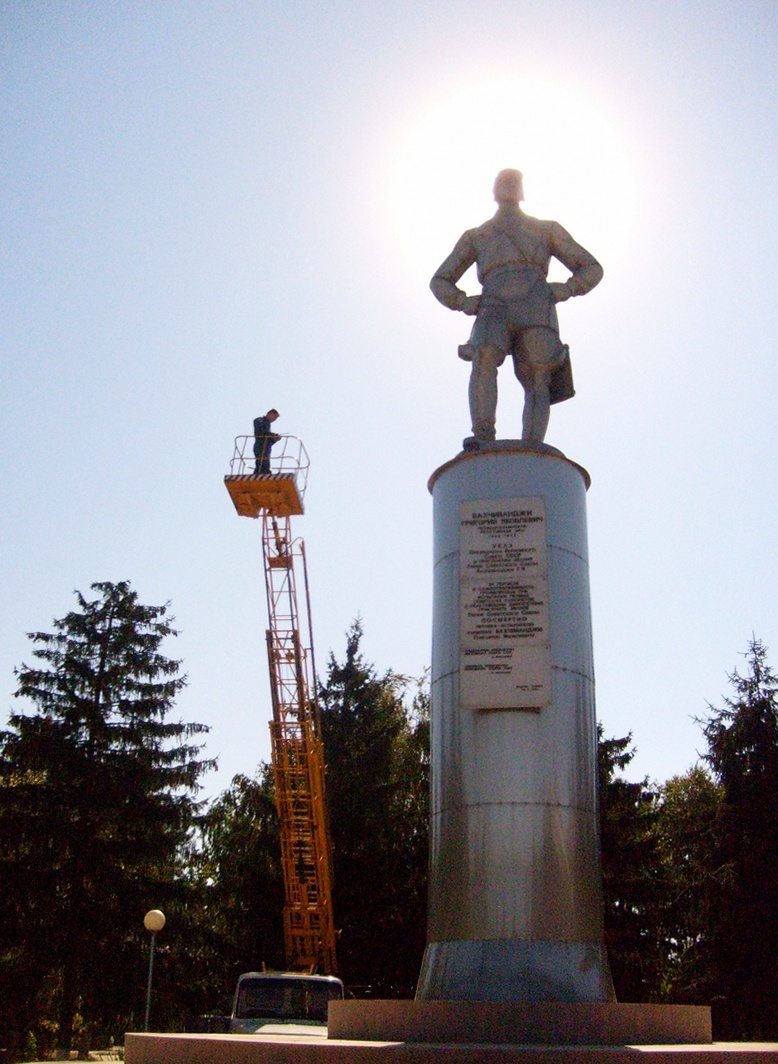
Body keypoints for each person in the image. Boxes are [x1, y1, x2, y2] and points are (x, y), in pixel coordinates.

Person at [430, 169, 603, 446]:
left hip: (535, 305)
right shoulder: (478, 236)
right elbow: (440, 281)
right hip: (494, 306)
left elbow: (592, 268)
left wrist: (567, 288)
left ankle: (533, 445)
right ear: (494, 192)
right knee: (484, 358)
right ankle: (482, 435)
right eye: (503, 181)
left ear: (523, 192)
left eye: (515, 182)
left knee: (538, 373)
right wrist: (463, 302)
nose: (509, 185)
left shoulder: (546, 230)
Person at [253, 408, 280, 474]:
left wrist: (274, 439)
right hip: (260, 444)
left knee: (265, 460)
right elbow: (261, 432)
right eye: (275, 417)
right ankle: (260, 472)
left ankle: (264, 471)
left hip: (266, 445)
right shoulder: (260, 420)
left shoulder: (267, 424)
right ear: (270, 414)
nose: (274, 420)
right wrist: (272, 435)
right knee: (261, 459)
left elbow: (267, 437)